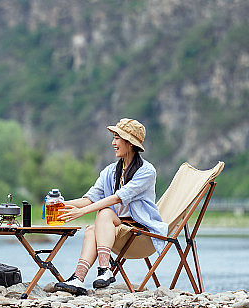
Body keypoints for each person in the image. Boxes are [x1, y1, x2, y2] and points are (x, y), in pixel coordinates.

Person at [54, 118, 167, 295]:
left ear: (130, 143)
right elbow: (89, 199)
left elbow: (116, 198)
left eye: (117, 138)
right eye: (113, 138)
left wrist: (82, 212)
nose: (113, 143)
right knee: (91, 229)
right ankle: (79, 278)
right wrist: (61, 204)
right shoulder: (110, 171)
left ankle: (105, 269)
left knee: (105, 212)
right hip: (120, 229)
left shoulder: (147, 171)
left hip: (142, 234)